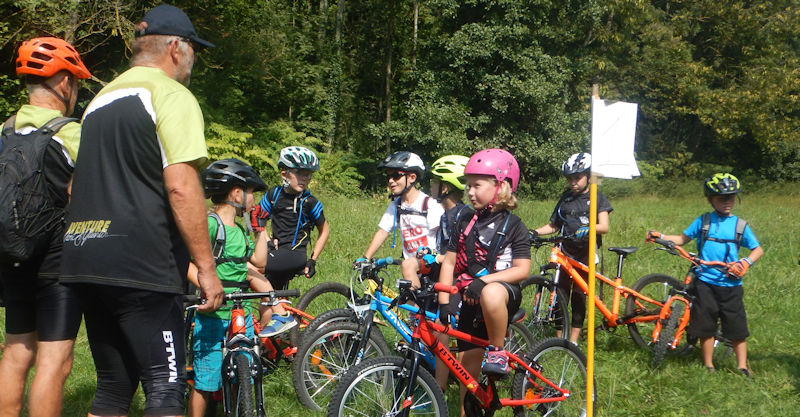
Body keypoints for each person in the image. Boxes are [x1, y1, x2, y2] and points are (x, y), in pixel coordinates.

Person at [58, 5, 224, 416]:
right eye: (194, 49)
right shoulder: (171, 95)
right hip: (143, 265)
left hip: (85, 256)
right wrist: (206, 267)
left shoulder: (98, 101)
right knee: (165, 388)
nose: (194, 60)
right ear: (174, 48)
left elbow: (74, 186)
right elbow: (182, 186)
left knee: (113, 387)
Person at [0, 36, 91, 417]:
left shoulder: (3, 131)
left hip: (10, 253)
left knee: (17, 352)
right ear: (65, 83)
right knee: (56, 360)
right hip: (56, 262)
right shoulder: (72, 133)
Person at [187, 159, 294, 417]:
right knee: (205, 381)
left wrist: (260, 230)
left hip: (241, 311)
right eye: (251, 193)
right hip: (214, 314)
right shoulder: (211, 224)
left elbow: (258, 262)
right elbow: (184, 260)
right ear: (236, 193)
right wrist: (206, 286)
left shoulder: (240, 228)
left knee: (242, 372)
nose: (253, 200)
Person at [438, 149, 531, 412]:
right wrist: (445, 301)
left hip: (501, 295)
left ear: (500, 187)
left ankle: (498, 351)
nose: (469, 192)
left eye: (477, 185)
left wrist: (486, 281)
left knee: (490, 293)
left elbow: (522, 269)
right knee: (468, 378)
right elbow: (449, 261)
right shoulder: (464, 219)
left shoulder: (515, 226)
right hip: (470, 296)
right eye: (468, 185)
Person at [647, 173, 763, 376]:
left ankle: (742, 365)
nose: (727, 202)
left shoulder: (740, 225)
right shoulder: (704, 221)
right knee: (705, 324)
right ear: (710, 199)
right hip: (705, 282)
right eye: (721, 198)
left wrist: (746, 262)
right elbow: (682, 239)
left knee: (736, 326)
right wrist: (661, 236)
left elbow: (757, 249)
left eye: (731, 197)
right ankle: (708, 365)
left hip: (731, 284)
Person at [531, 152, 612, 343]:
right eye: (570, 179)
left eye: (577, 178)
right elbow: (554, 226)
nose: (573, 183)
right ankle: (560, 339)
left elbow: (604, 226)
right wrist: (534, 232)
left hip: (586, 252)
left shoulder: (597, 197)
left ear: (588, 176)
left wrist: (589, 228)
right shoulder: (565, 199)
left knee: (579, 296)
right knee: (560, 295)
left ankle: (573, 340)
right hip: (565, 252)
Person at [250, 146, 330, 290]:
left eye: (309, 174)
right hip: (275, 251)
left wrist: (313, 259)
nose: (305, 178)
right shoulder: (274, 195)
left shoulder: (310, 202)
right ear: (284, 174)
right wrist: (267, 241)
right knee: (269, 298)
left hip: (294, 254)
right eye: (299, 173)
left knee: (249, 269)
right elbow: (257, 218)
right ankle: (280, 310)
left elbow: (324, 231)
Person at [362, 151, 444, 264]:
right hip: (409, 267)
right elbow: (383, 231)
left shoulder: (429, 205)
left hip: (431, 267)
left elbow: (444, 238)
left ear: (412, 177)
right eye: (389, 176)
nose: (391, 181)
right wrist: (366, 258)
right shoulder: (396, 204)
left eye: (396, 176)